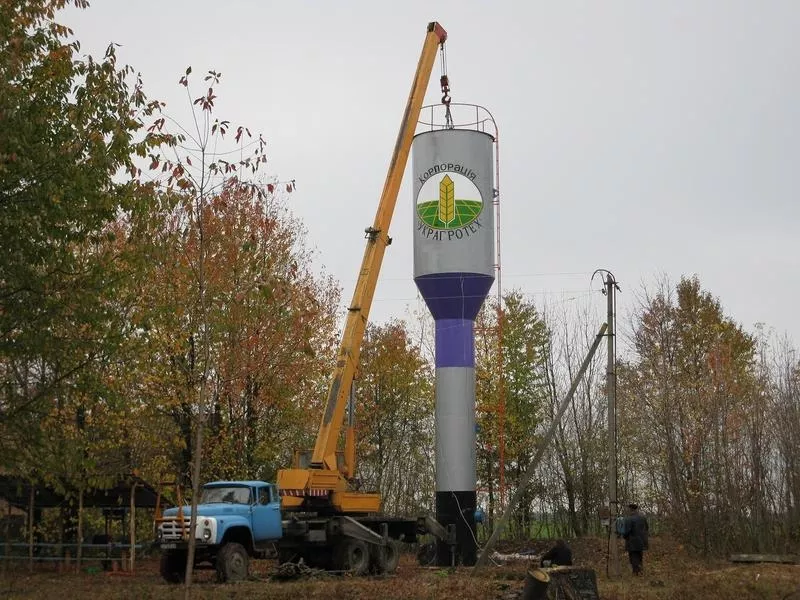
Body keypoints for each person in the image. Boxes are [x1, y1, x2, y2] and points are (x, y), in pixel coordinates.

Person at [621, 503, 649, 576]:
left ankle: (636, 573)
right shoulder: (643, 517)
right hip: (642, 541)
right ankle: (640, 571)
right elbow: (646, 528)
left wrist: (624, 537)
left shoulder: (628, 519)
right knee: (640, 556)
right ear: (636, 509)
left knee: (633, 557)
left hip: (632, 541)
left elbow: (626, 531)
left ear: (630, 509)